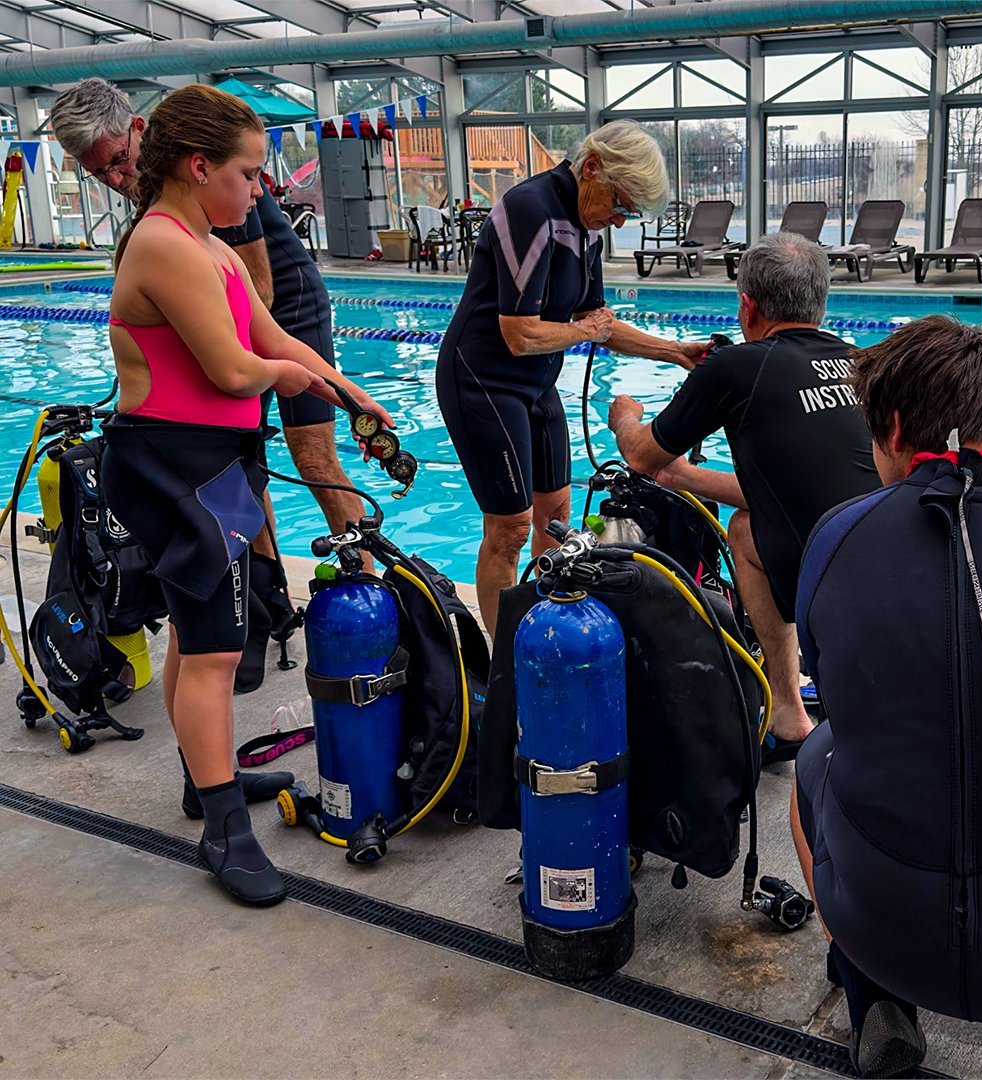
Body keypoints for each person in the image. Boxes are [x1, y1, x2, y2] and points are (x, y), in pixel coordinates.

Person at [100, 84, 391, 906]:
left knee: (203, 639)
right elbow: (236, 368)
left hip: (214, 463)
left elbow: (274, 335)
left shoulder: (214, 247)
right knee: (218, 646)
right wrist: (292, 376)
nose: (260, 189)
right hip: (169, 466)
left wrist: (345, 391)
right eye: (250, 172)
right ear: (200, 167)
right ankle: (223, 829)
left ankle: (207, 781)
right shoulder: (163, 246)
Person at [793, 316, 982, 1077]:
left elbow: (827, 685)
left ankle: (877, 1004)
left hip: (892, 931)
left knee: (815, 756)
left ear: (890, 425)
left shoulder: (837, 534)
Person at [607, 232, 879, 762]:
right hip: (884, 554)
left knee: (742, 531)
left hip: (830, 570)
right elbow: (799, 482)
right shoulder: (859, 360)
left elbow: (640, 456)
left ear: (747, 306)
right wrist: (684, 478)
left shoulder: (736, 366)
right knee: (752, 522)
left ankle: (787, 710)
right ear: (820, 303)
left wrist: (625, 416)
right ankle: (790, 700)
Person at [50, 78, 363, 537]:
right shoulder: (169, 216)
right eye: (99, 174)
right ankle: (257, 583)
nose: (116, 180)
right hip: (237, 324)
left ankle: (362, 574)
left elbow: (259, 293)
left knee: (308, 456)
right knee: (234, 465)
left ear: (139, 128)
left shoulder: (210, 178)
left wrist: (333, 393)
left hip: (284, 303)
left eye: (118, 160)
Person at [436, 120, 709, 634]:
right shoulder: (530, 209)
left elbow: (597, 324)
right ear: (591, 169)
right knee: (510, 528)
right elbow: (520, 335)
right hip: (483, 382)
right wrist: (583, 328)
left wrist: (674, 351)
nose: (622, 220)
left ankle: (542, 632)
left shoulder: (588, 229)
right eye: (622, 204)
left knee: (557, 517)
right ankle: (505, 663)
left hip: (535, 388)